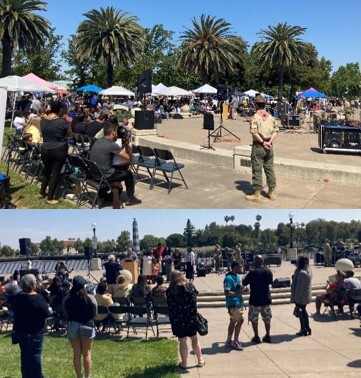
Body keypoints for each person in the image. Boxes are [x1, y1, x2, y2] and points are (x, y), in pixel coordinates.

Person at [89, 123, 142, 207]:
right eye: (116, 132)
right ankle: (131, 198)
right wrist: (126, 145)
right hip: (105, 176)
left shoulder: (98, 141)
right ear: (113, 133)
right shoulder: (112, 145)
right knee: (128, 174)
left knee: (117, 170)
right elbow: (128, 157)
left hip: (95, 174)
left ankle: (104, 195)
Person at [12, 274, 51, 378]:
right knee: (35, 356)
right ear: (34, 285)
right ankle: (37, 376)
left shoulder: (18, 297)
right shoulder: (37, 298)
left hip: (21, 330)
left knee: (24, 355)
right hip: (35, 331)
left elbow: (14, 310)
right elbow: (46, 313)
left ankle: (26, 375)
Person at [166, 270, 204, 369]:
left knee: (182, 340)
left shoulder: (170, 290)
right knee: (194, 339)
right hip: (191, 317)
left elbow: (170, 305)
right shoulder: (190, 286)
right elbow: (195, 298)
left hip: (178, 319)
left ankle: (184, 363)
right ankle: (200, 360)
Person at [246, 94, 279, 203]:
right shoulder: (270, 117)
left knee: (257, 169)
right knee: (269, 169)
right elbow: (276, 131)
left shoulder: (254, 117)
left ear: (255, 105)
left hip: (258, 146)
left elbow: (254, 133)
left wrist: (263, 142)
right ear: (264, 105)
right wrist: (269, 142)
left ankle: (257, 195)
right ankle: (271, 192)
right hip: (269, 146)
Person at [62, 275, 97, 378]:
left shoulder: (67, 298)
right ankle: (87, 376)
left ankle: (78, 376)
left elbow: (65, 312)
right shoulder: (90, 298)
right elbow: (95, 313)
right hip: (87, 325)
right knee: (87, 353)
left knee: (77, 353)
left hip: (73, 325)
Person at [40, 101, 72, 204]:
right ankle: (50, 197)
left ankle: (42, 192)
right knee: (55, 172)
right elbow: (70, 134)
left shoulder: (43, 121)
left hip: (45, 148)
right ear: (60, 110)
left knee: (47, 170)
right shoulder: (63, 122)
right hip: (58, 149)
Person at [242, 255, 273, 343]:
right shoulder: (268, 271)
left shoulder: (253, 272)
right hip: (266, 299)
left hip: (255, 300)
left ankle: (256, 336)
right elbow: (270, 282)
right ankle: (268, 335)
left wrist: (246, 274)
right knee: (267, 318)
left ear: (255, 262)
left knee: (254, 319)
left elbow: (244, 282)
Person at [224, 261, 245, 350]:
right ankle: (235, 341)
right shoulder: (228, 278)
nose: (241, 268)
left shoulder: (237, 277)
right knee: (241, 320)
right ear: (234, 267)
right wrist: (237, 293)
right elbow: (227, 292)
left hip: (238, 302)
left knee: (233, 321)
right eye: (239, 267)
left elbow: (239, 288)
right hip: (233, 304)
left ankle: (229, 340)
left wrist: (243, 289)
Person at [290, 255, 312, 336]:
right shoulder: (305, 270)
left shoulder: (302, 273)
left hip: (301, 297)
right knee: (303, 311)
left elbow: (299, 287)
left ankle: (304, 329)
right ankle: (306, 328)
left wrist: (296, 299)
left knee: (301, 313)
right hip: (303, 296)